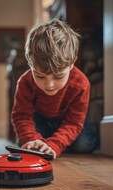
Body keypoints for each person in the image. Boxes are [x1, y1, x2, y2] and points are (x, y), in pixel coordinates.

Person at [11, 19, 98, 159]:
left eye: (58, 77)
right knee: (27, 142)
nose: (49, 84)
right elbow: (21, 116)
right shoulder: (25, 82)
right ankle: (47, 140)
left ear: (71, 63)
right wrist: (32, 139)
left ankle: (56, 141)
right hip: (40, 119)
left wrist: (55, 144)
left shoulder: (81, 84)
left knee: (84, 145)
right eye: (40, 76)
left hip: (69, 120)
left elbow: (74, 122)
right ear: (30, 64)